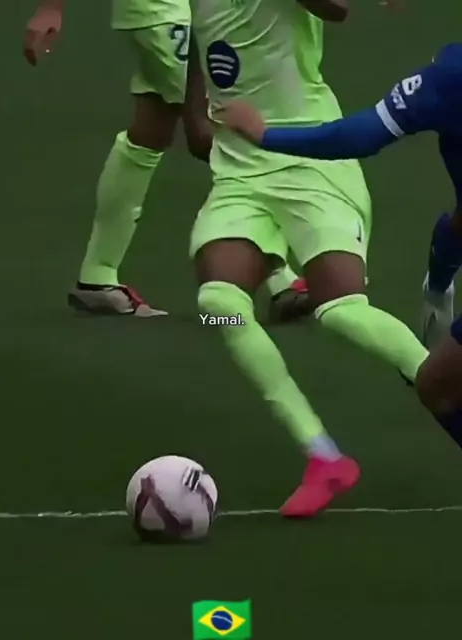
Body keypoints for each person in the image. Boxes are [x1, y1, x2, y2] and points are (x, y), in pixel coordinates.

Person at [188, 0, 430, 516]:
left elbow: (335, 9)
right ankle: (323, 457)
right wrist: (196, 107)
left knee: (340, 310)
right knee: (218, 307)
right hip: (239, 173)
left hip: (312, 160)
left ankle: (438, 376)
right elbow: (202, 39)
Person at [220, 42, 462, 445]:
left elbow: (359, 135)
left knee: (436, 385)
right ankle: (438, 288)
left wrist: (265, 135)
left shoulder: (451, 75)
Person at [23, 0, 306, 319]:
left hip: (170, 13)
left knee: (152, 128)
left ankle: (97, 275)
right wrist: (51, 8)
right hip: (161, 14)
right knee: (221, 127)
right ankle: (279, 277)